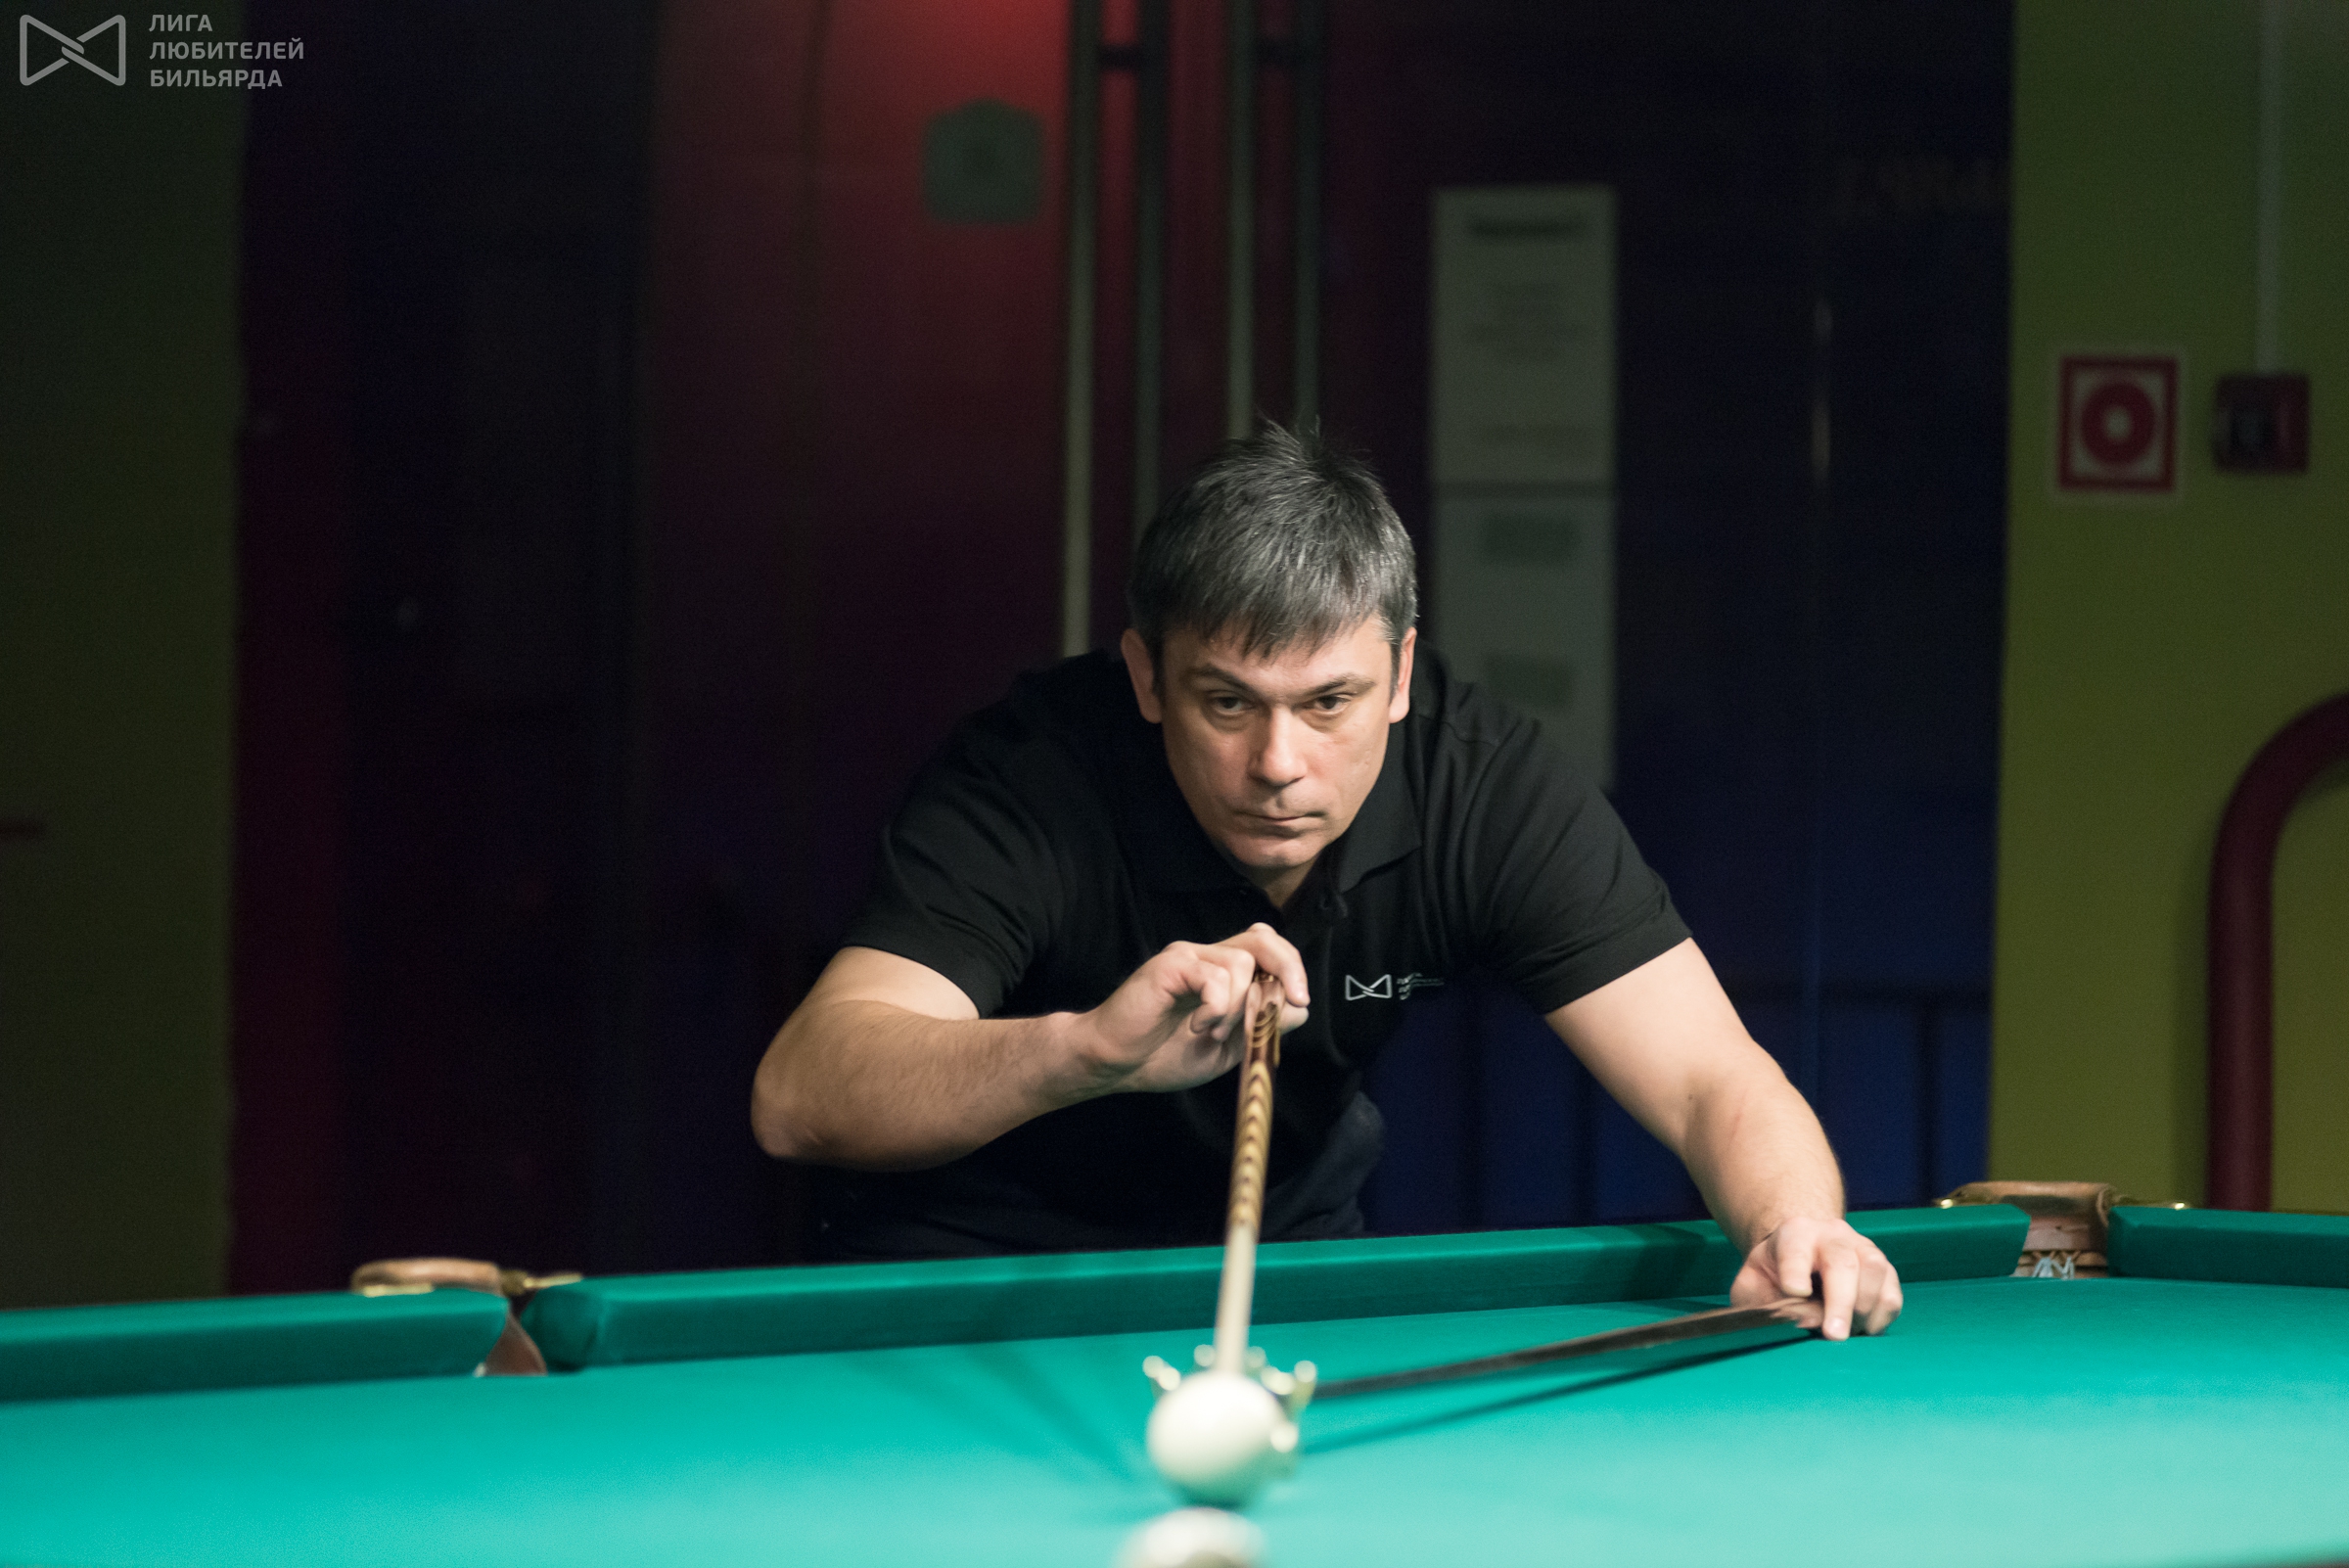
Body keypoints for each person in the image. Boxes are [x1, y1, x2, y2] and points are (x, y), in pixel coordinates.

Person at [754, 425, 1902, 1340]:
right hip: (972, 1283)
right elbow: (801, 1095)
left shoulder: (1478, 785)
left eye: (1328, 703)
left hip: (1284, 1280)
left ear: (1399, 673)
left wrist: (1797, 1222)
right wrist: (1086, 1053)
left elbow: (1709, 1075)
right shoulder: (1033, 778)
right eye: (1227, 702)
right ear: (1146, 676)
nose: (1278, 765)